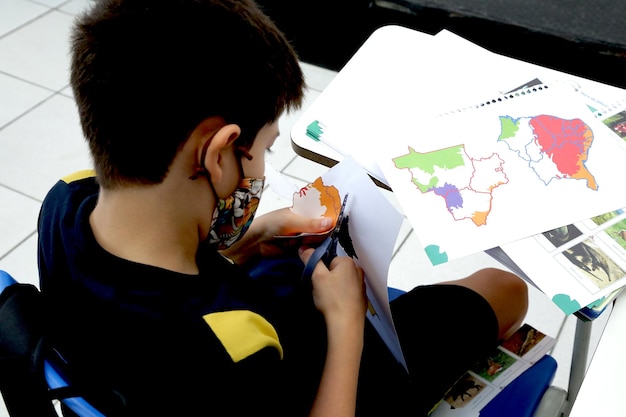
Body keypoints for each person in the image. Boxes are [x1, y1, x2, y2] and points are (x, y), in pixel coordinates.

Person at [37, 0, 528, 416]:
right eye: (266, 149)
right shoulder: (230, 348)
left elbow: (153, 288)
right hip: (320, 379)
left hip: (166, 372)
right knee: (505, 289)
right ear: (217, 153)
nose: (262, 167)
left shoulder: (65, 201)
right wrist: (346, 323)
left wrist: (246, 246)